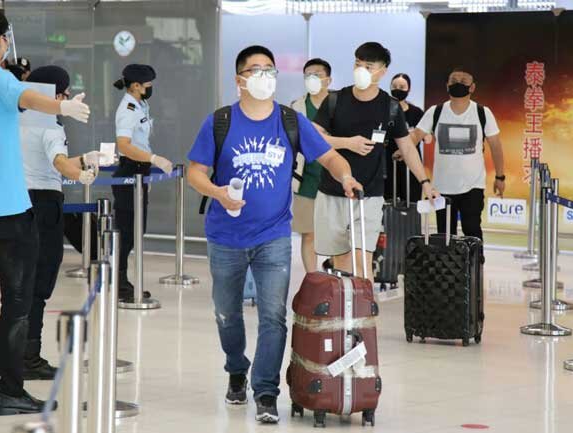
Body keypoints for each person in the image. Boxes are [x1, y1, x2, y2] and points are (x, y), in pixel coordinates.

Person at [187, 45, 361, 424]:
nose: (265, 76)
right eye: (256, 69)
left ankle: (265, 391)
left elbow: (329, 155)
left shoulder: (290, 121)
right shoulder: (219, 122)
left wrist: (345, 175)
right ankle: (236, 367)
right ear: (240, 80)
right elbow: (195, 171)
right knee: (226, 314)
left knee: (273, 316)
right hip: (225, 236)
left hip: (274, 236)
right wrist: (217, 192)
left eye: (270, 69)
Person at [0, 7, 90, 415]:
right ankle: (11, 390)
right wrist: (62, 108)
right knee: (17, 300)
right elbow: (26, 97)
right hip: (9, 208)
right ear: (1, 41)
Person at [0, 66, 105, 380]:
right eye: (65, 94)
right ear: (57, 95)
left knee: (15, 286)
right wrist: (81, 173)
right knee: (38, 284)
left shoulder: (14, 119)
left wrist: (85, 158)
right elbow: (59, 163)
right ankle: (28, 356)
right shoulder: (50, 124)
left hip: (13, 202)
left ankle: (3, 356)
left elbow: (46, 159)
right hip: (43, 206)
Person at [313, 42, 438, 279]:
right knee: (341, 262)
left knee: (363, 259)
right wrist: (346, 143)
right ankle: (345, 301)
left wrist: (425, 182)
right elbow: (313, 137)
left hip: (369, 193)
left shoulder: (390, 107)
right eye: (357, 64)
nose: (360, 70)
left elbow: (407, 148)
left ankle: (365, 301)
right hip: (332, 191)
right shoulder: (335, 100)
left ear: (383, 71)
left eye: (368, 66)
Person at [410, 67, 505, 248]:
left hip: (473, 186)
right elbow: (416, 136)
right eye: (454, 81)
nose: (458, 84)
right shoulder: (435, 111)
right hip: (441, 188)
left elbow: (496, 146)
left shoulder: (483, 113)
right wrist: (402, 149)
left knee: (472, 231)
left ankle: (475, 263)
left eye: (463, 82)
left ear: (472, 87)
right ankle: (447, 267)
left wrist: (500, 177)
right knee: (444, 237)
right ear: (447, 86)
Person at [112, 64, 173, 303]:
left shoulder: (140, 104)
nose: (150, 88)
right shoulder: (128, 108)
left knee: (136, 231)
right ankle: (119, 284)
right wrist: (153, 158)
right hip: (130, 171)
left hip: (139, 171)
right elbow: (124, 145)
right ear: (136, 86)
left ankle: (123, 282)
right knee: (127, 233)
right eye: (148, 85)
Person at [290, 58, 333, 273]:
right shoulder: (296, 107)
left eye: (317, 74)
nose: (311, 79)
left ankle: (335, 275)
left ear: (328, 79)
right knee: (309, 233)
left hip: (334, 178)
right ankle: (312, 277)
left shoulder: (339, 104)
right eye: (307, 75)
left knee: (337, 234)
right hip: (306, 179)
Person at [386, 73, 424, 203]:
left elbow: (427, 137)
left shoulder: (416, 112)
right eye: (394, 86)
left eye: (402, 87)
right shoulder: (384, 109)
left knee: (411, 200)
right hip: (388, 162)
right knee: (388, 201)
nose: (398, 89)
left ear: (409, 89)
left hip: (411, 164)